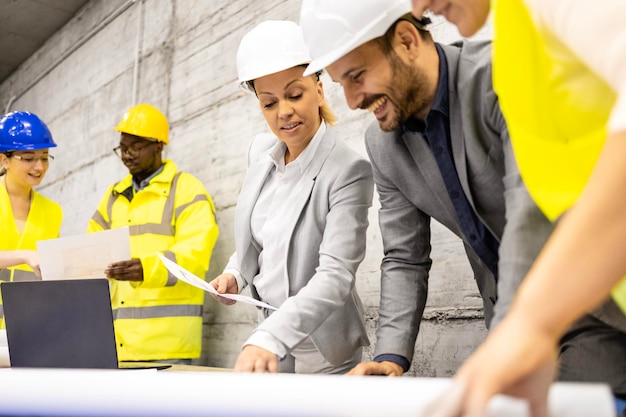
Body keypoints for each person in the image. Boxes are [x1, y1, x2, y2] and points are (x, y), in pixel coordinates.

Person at [299, 0, 553, 378]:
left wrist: (510, 337)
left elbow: (527, 212)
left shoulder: (503, 75)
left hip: (590, 302)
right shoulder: (384, 145)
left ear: (406, 41)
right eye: (341, 85)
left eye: (357, 76)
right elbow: (405, 256)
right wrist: (390, 357)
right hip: (511, 319)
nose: (352, 102)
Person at [408, 1, 626, 416]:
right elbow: (535, 203)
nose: (421, 7)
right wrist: (529, 325)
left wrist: (533, 322)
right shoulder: (512, 43)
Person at [209, 20, 373, 374]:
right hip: (268, 335)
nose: (283, 111)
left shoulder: (349, 170)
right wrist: (236, 273)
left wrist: (270, 336)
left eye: (294, 94)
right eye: (269, 103)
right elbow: (262, 238)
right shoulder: (259, 153)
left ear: (319, 87)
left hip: (323, 346)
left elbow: (335, 276)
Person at [87, 103, 219, 364]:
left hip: (167, 348)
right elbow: (90, 249)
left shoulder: (186, 189)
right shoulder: (113, 196)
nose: (127, 155)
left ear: (159, 145)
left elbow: (196, 254)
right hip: (115, 344)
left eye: (135, 146)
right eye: (122, 148)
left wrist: (147, 269)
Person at [0, 111, 62, 327]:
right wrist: (25, 255)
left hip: (30, 329)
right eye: (29, 158)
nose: (40, 167)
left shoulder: (52, 212)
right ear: (4, 160)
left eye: (44, 157)